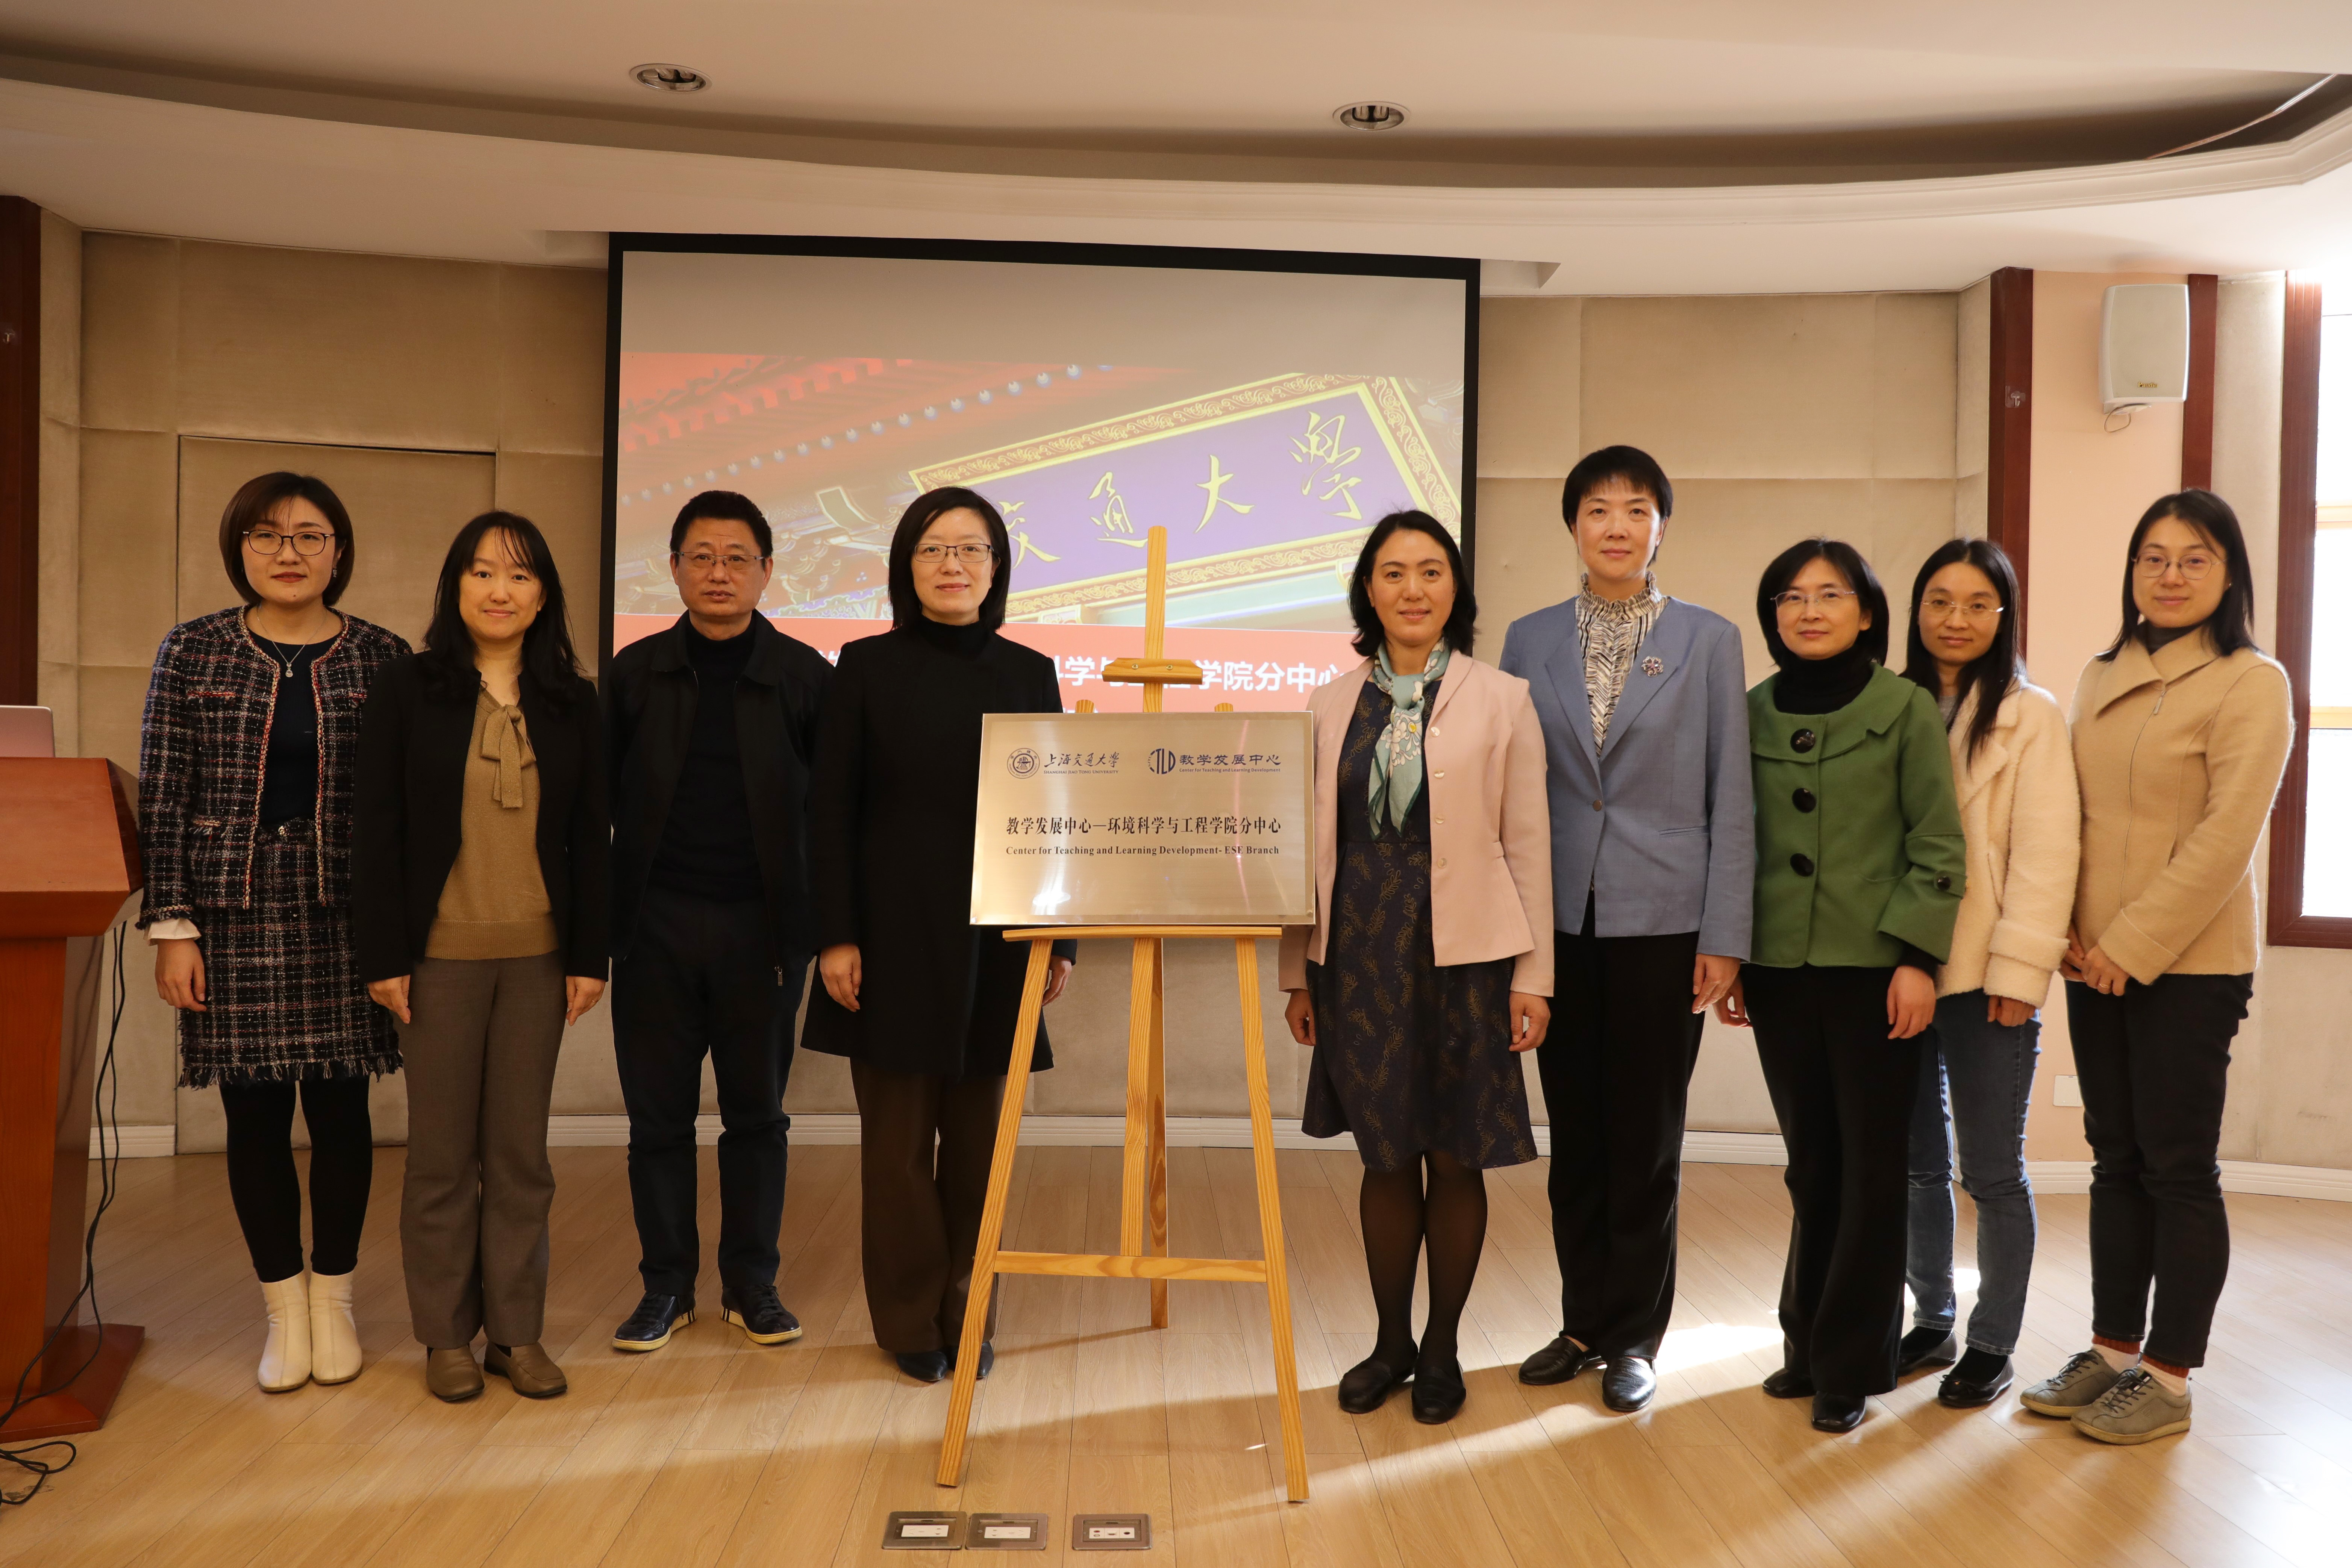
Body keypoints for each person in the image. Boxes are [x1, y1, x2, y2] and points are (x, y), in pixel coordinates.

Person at [2020, 491, 2291, 1445]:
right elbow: (2073, 814)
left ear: (2228, 574)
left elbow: (2225, 839)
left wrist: (2128, 947)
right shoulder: (2100, 674)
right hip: (2091, 958)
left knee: (2176, 1168)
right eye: (2152, 558)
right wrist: (2065, 928)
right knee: (2114, 1161)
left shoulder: (2251, 682)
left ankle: (2167, 1378)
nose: (2169, 576)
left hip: (2188, 964)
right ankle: (2109, 1349)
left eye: (2193, 558)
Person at [1280, 509, 1553, 1426]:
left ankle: (1441, 1350)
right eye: (1392, 572)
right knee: (1385, 1154)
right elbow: (1304, 851)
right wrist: (1297, 970)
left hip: (1466, 959)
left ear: (1455, 588)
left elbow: (1528, 844)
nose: (1411, 589)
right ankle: (1390, 1343)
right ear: (1367, 589)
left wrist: (1533, 975)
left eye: (1430, 571)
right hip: (1358, 956)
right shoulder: (1326, 702)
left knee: (1454, 1154)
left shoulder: (1502, 698)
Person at [137, 473, 409, 1393]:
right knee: (252, 1114)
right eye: (266, 535)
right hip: (231, 914)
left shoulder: (382, 656)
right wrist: (173, 926)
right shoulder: (193, 650)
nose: (288, 552)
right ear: (239, 547)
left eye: (308, 535)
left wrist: (401, 933)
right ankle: (283, 1310)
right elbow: (165, 794)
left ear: (339, 551)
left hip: (345, 914)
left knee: (341, 1112)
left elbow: (402, 808)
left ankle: (334, 1301)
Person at [1499, 446, 1752, 1415]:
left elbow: (1731, 796)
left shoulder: (1708, 639)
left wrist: (1724, 935)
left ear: (1660, 527)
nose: (1616, 525)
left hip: (1665, 920)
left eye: (1636, 508)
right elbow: (1508, 791)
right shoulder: (1527, 639)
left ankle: (1634, 1337)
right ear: (1572, 526)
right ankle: (1581, 1323)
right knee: (1576, 1136)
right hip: (1557, 920)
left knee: (1645, 1137)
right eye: (1597, 509)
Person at [803, 486, 1074, 1385]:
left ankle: (970, 1309)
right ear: (905, 567)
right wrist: (835, 934)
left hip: (997, 941)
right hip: (887, 937)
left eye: (970, 548)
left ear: (996, 568)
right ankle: (908, 1317)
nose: (951, 564)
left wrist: (1059, 939)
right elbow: (829, 811)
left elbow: (1055, 813)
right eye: (931, 548)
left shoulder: (1029, 672)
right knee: (895, 1153)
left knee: (979, 1149)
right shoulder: (864, 667)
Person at [353, 511, 609, 1404]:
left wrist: (590, 956)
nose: (500, 590)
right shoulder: (406, 687)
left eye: (520, 575)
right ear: (455, 585)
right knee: (439, 1157)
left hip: (539, 960)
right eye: (482, 572)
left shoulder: (574, 700)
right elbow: (374, 827)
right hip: (437, 960)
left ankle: (516, 1333)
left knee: (519, 1157)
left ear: (544, 597)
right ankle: (443, 1336)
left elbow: (591, 837)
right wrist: (384, 954)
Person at [1716, 538, 1965, 1434]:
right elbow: (1731, 841)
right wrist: (1732, 952)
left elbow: (1936, 843)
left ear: (1865, 612)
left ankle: (1852, 1363)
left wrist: (1916, 960)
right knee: (1812, 1163)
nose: (1808, 610)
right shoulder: (1748, 710)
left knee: (1871, 1169)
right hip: (1778, 969)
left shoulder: (1904, 707)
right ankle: (1804, 1343)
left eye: (1828, 594)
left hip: (1876, 972)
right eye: (1789, 596)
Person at [604, 492, 832, 1355]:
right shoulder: (635, 673)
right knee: (656, 1122)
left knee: (756, 1118)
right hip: (654, 927)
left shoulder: (805, 677)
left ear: (767, 571)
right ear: (672, 568)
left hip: (764, 933)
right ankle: (665, 1288)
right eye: (700, 557)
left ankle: (751, 1285)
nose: (718, 573)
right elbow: (596, 803)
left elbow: (833, 815)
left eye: (737, 558)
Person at [1897, 539, 2079, 1408]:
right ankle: (1931, 1319)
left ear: (2002, 615)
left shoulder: (2028, 714)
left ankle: (1992, 1340)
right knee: (1914, 1166)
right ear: (1915, 610)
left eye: (1977, 604)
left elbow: (2046, 853)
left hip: (1985, 971)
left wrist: (2019, 968)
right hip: (1898, 967)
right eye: (1939, 600)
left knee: (1991, 1172)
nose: (1955, 619)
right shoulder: (1890, 703)